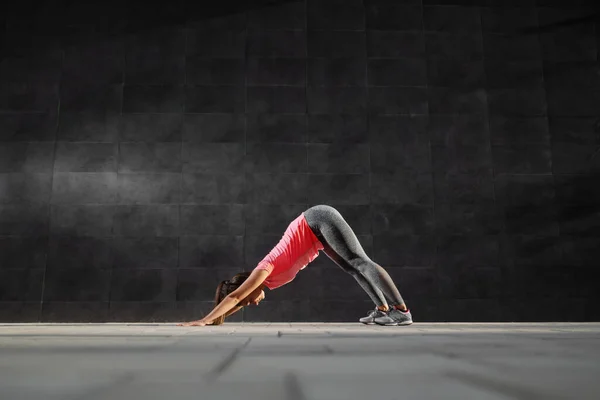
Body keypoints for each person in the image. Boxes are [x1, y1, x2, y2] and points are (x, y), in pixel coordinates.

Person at [178, 205, 412, 327]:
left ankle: (401, 311)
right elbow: (236, 301)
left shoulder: (264, 269)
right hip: (316, 234)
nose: (254, 303)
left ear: (247, 288)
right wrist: (220, 318)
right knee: (352, 268)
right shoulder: (267, 282)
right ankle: (383, 310)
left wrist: (205, 319)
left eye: (250, 300)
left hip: (317, 220)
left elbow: (236, 296)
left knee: (361, 262)